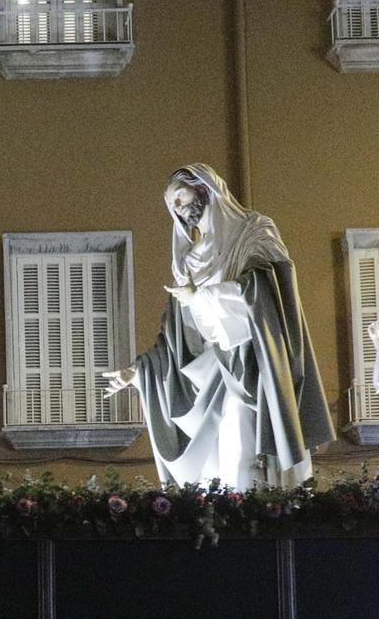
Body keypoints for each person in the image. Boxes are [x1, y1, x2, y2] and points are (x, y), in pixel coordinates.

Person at [103, 162, 334, 491]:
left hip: (253, 365)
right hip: (212, 369)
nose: (179, 210)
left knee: (242, 448)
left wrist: (203, 296)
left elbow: (266, 291)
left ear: (203, 187)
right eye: (172, 207)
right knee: (221, 462)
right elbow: (176, 341)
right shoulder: (189, 262)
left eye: (180, 198)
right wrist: (138, 372)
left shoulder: (254, 232)